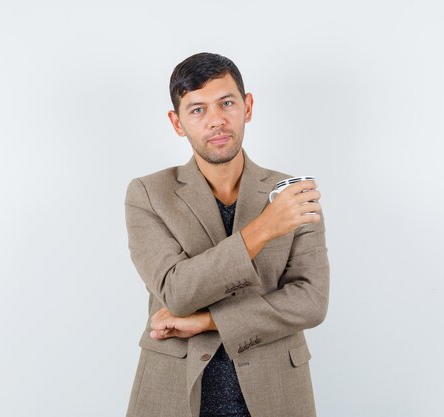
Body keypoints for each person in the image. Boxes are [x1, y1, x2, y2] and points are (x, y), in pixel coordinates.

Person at [124, 52, 330, 417]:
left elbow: (311, 302)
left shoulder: (292, 193)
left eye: (227, 103)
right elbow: (177, 291)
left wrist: (208, 321)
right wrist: (264, 229)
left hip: (276, 390)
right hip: (175, 390)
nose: (216, 121)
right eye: (198, 110)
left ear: (247, 107)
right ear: (177, 122)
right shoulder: (148, 194)